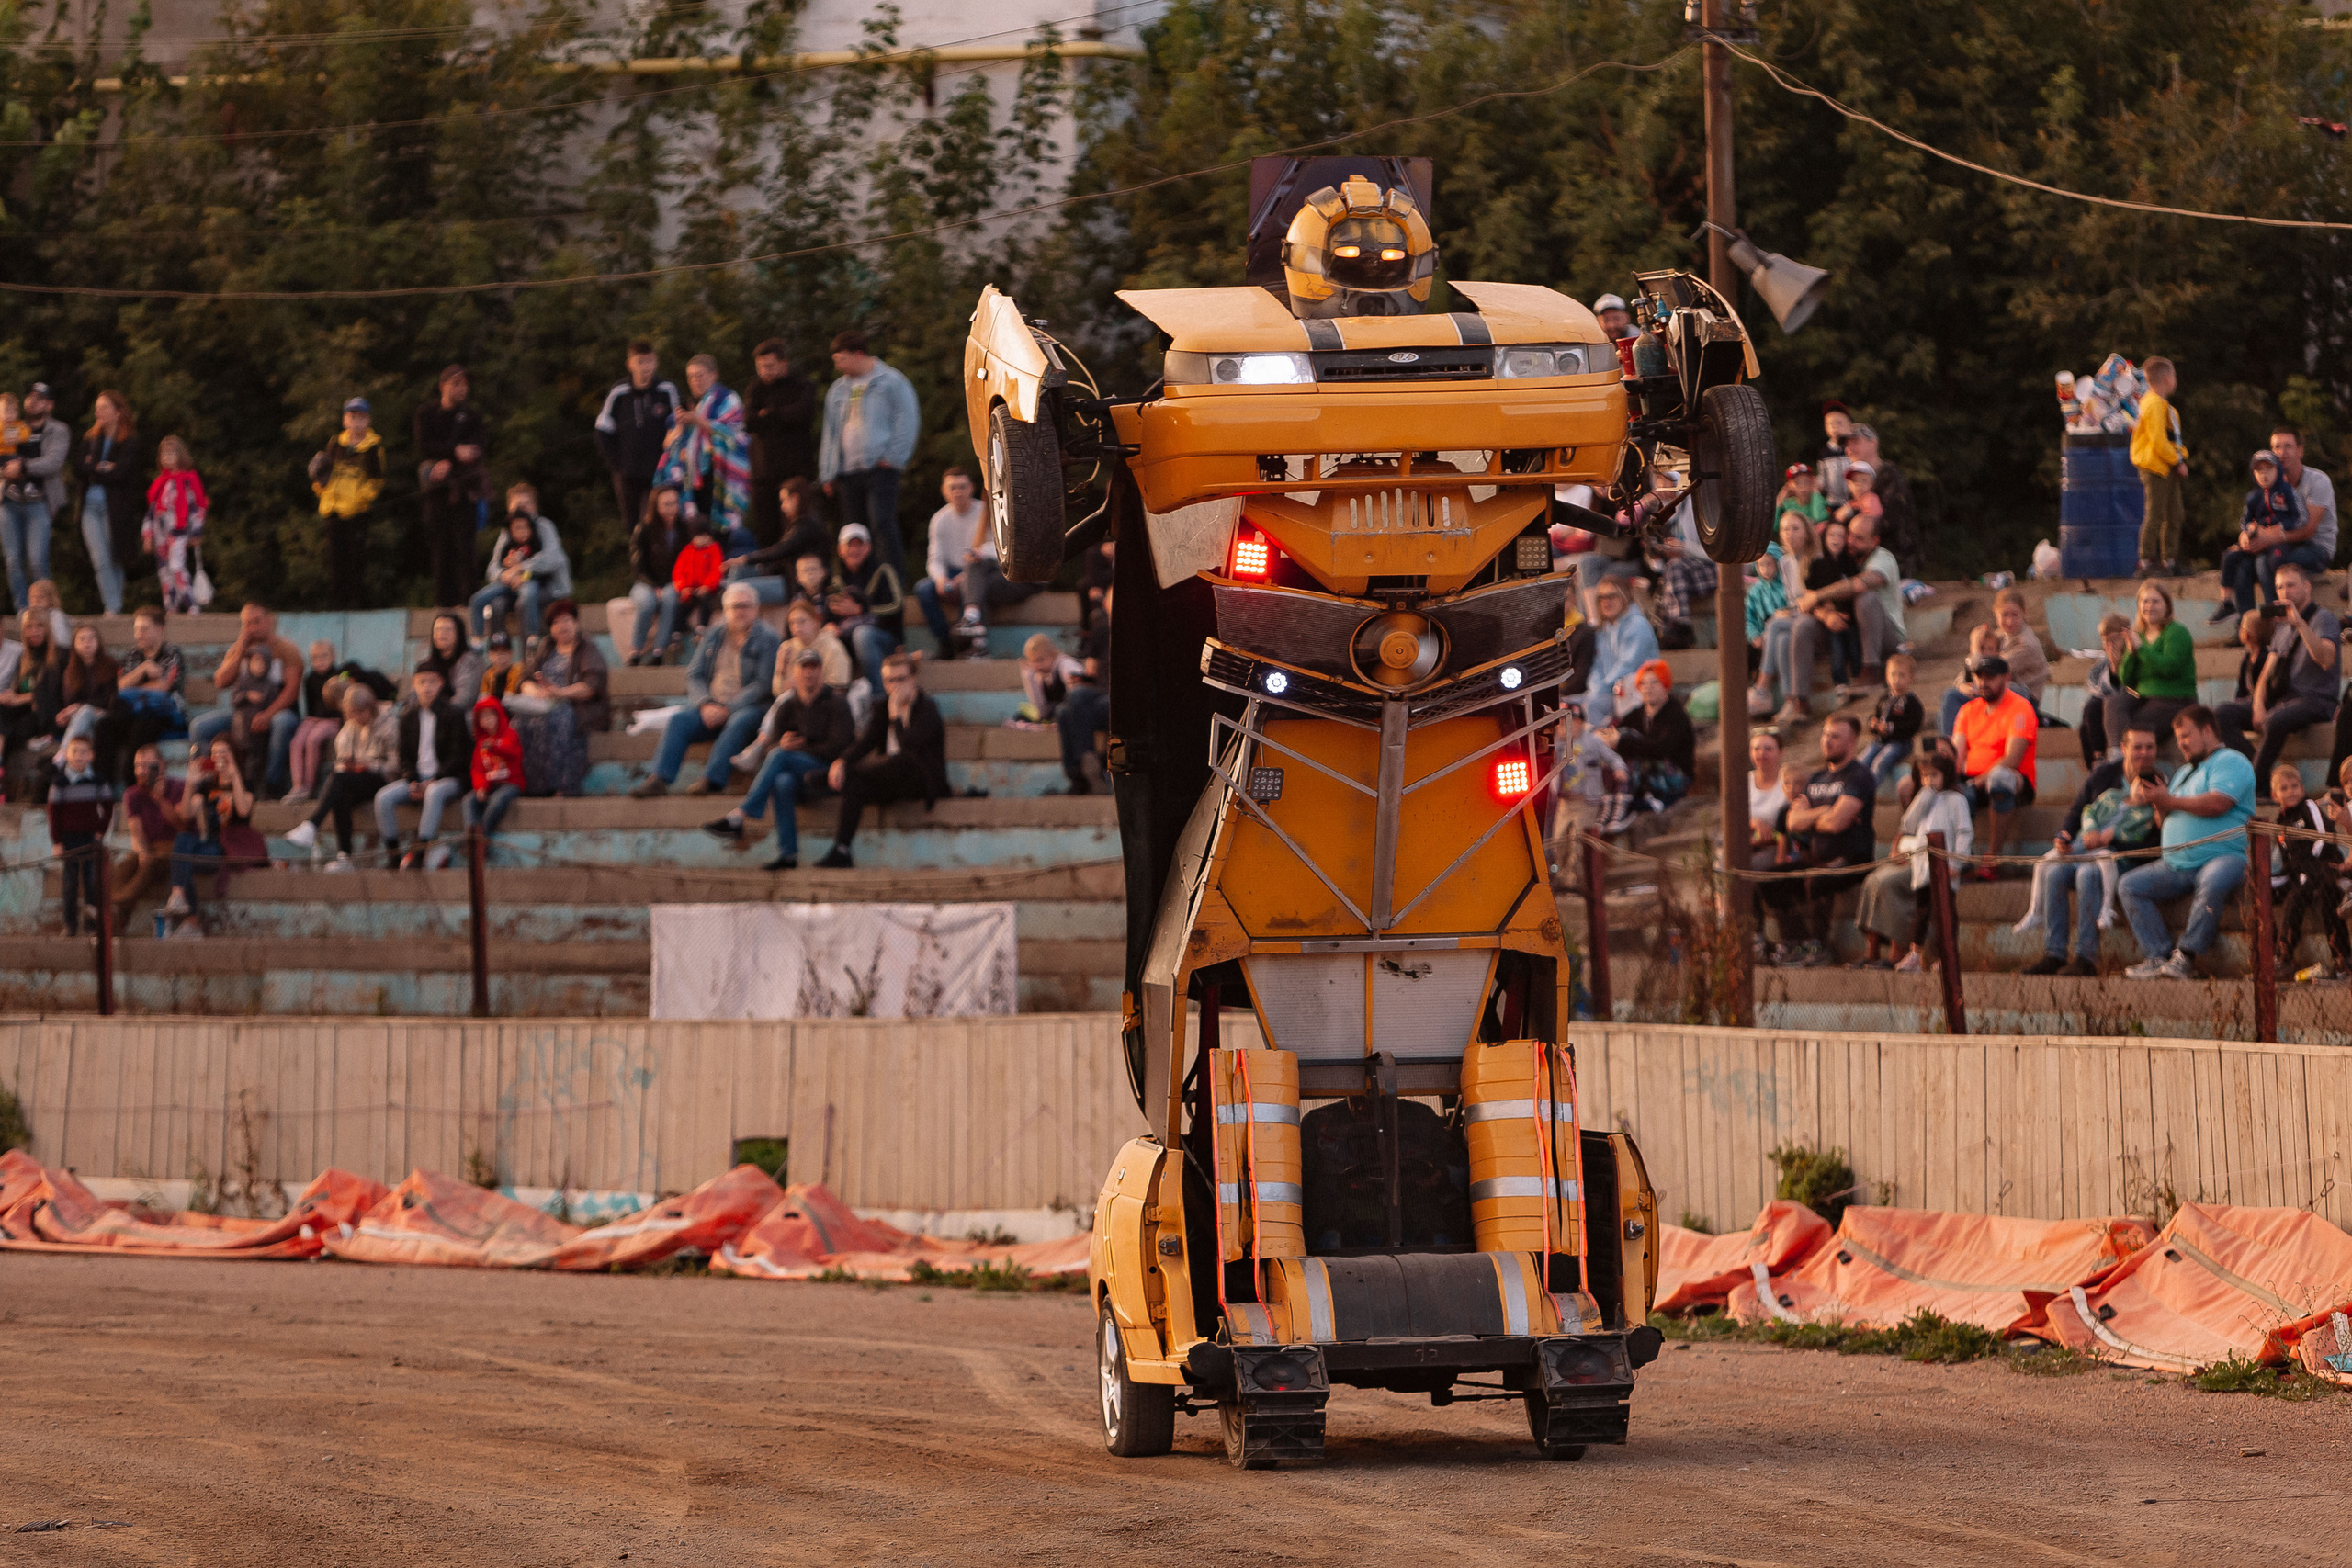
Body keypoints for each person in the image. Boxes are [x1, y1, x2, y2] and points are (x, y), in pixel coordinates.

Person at [2118, 706, 2256, 979]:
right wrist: (2158, 803)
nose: (2181, 743)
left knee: (2213, 881)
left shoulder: (2231, 761)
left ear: (2207, 731)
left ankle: (2186, 956)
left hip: (2223, 857)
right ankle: (2158, 955)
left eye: (2186, 736)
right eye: (2179, 738)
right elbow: (2163, 821)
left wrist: (2169, 800)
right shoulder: (2182, 773)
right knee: (2129, 885)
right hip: (2176, 864)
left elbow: (2219, 802)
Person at [2019, 725, 2163, 976]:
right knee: (2054, 873)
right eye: (2137, 747)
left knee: (2088, 874)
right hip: (2087, 848)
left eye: (2150, 747)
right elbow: (2078, 810)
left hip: (2124, 857)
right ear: (2124, 749)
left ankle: (2086, 957)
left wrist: (2115, 840)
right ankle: (2054, 953)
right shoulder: (2105, 776)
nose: (2144, 753)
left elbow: (2155, 838)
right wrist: (2063, 834)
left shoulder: (2158, 781)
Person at [704, 648, 857, 870]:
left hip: (828, 774)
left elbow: (840, 747)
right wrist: (781, 745)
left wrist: (795, 750)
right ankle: (788, 854)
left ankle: (740, 815)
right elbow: (770, 749)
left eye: (814, 667)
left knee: (781, 756)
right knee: (781, 781)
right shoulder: (787, 706)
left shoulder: (837, 702)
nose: (809, 673)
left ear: (822, 672)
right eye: (804, 667)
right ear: (794, 673)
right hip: (797, 776)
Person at [629, 581, 779, 799]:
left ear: (756, 609)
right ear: (726, 610)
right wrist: (705, 703)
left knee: (740, 721)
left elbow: (764, 684)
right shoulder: (715, 633)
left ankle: (711, 780)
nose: (740, 611)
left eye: (746, 606)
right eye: (734, 607)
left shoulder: (768, 638)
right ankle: (658, 779)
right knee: (679, 721)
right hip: (711, 705)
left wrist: (727, 708)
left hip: (749, 707)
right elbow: (694, 673)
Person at [1756, 714, 1878, 967]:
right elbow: (1792, 822)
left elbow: (1836, 824)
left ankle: (1819, 945)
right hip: (1816, 855)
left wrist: (1814, 818)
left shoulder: (1859, 776)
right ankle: (1797, 941)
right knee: (1771, 879)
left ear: (1851, 741)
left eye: (1835, 736)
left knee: (1818, 880)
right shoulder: (1817, 778)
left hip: (1851, 857)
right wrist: (1824, 812)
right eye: (1825, 735)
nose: (1827, 741)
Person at [2213, 561, 2339, 797]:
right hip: (2282, 698)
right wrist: (2258, 702)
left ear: (2306, 587)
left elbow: (2326, 659)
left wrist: (2300, 624)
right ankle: (2260, 775)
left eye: (2290, 585)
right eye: (2280, 587)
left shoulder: (2324, 618)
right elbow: (2268, 668)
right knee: (2221, 714)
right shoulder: (2281, 625)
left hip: (2315, 699)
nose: (2285, 592)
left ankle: (2255, 787)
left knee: (2275, 720)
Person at [813, 649, 946, 868]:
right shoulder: (882, 707)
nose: (894, 686)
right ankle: (842, 850)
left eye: (900, 679)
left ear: (913, 678)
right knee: (855, 784)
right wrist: (842, 761)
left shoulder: (926, 708)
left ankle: (836, 777)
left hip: (921, 780)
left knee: (900, 760)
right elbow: (867, 742)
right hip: (890, 778)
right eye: (888, 681)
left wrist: (896, 717)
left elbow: (908, 747)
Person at [1781, 512, 1907, 722]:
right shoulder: (1836, 559)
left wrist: (1818, 597)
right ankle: (1800, 702)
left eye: (1859, 538)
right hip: (1845, 629)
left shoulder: (1882, 558)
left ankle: (1871, 670)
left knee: (1864, 597)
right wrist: (1825, 614)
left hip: (1884, 636)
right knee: (1803, 625)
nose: (1850, 541)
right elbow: (1809, 600)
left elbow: (1858, 584)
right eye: (1850, 535)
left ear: (1874, 541)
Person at [1852, 748, 1970, 972]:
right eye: (1925, 775)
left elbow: (1964, 832)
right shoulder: (1923, 799)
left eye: (1934, 775)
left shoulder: (1956, 800)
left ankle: (1946, 956)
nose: (1929, 780)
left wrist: (1956, 864)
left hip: (1945, 867)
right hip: (1922, 868)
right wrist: (1923, 798)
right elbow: (1908, 825)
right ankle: (1915, 954)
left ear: (1945, 774)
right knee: (1922, 912)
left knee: (1944, 913)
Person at [820, 330, 921, 579]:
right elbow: (830, 431)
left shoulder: (891, 381)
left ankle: (892, 583)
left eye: (842, 359)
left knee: (882, 525)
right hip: (847, 471)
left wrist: (894, 457)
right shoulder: (838, 390)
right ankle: (860, 588)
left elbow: (907, 420)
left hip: (880, 466)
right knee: (854, 532)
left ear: (859, 354)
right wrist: (828, 471)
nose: (838, 365)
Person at [283, 683, 398, 871]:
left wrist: (367, 766)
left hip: (383, 777)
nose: (356, 719)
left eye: (360, 713)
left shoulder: (389, 724)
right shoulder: (352, 724)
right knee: (340, 791)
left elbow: (395, 765)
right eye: (352, 714)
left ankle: (312, 825)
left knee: (339, 781)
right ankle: (344, 855)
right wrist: (348, 764)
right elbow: (341, 758)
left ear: (370, 708)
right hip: (356, 779)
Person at [192, 604, 302, 797]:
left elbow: (292, 691)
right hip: (244, 716)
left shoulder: (286, 650)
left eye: (256, 621)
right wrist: (241, 648)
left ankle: (271, 784)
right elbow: (220, 681)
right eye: (247, 623)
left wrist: (268, 715)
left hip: (277, 712)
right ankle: (210, 781)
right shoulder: (239, 650)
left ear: (269, 621)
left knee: (281, 723)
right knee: (200, 727)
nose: (252, 627)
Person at [1950, 653, 2038, 874]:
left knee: (2000, 777)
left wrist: (1976, 783)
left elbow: (2012, 759)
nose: (1983, 682)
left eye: (1990, 677)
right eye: (1979, 677)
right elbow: (1956, 754)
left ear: (2005, 678)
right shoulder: (1967, 710)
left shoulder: (2020, 707)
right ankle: (1955, 860)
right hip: (1972, 779)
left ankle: (1993, 857)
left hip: (2014, 780)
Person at [376, 665, 469, 870]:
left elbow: (459, 755)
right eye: (422, 682)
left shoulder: (453, 714)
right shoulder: (408, 716)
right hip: (418, 779)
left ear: (441, 684)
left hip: (448, 779)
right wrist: (412, 780)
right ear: (414, 685)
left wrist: (434, 779)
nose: (427, 687)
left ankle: (419, 853)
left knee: (434, 792)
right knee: (383, 798)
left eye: (432, 682)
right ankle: (393, 855)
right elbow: (404, 756)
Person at [655, 354, 752, 552]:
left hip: (719, 476)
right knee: (697, 528)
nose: (695, 381)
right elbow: (668, 443)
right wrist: (679, 428)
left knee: (719, 530)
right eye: (690, 377)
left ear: (713, 375)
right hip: (693, 477)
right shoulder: (690, 405)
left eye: (700, 375)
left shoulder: (727, 399)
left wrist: (697, 421)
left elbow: (736, 437)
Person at [514, 598, 608, 795]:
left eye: (566, 620)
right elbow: (525, 679)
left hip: (576, 707)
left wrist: (561, 693)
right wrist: (536, 692)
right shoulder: (546, 647)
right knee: (519, 723)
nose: (561, 626)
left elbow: (592, 686)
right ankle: (531, 786)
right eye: (555, 623)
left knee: (561, 719)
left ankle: (562, 786)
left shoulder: (587, 648)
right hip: (543, 703)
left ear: (576, 622)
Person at [416, 365, 490, 609]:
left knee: (465, 547)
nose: (461, 388)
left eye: (465, 384)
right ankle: (443, 604)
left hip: (464, 490)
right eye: (455, 383)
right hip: (436, 491)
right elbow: (423, 445)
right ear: (443, 386)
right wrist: (453, 452)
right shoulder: (426, 414)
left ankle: (468, 601)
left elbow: (475, 450)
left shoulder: (472, 417)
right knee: (441, 548)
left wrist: (449, 459)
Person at [163, 737, 256, 926]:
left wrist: (235, 776)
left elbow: (244, 810)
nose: (220, 757)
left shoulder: (246, 784)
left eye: (224, 752)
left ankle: (191, 921)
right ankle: (178, 895)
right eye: (215, 753)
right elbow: (186, 814)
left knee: (182, 860)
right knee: (183, 843)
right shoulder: (206, 786)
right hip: (209, 843)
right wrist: (190, 783)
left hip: (228, 847)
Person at [2267, 763, 2348, 979]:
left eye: (2295, 786)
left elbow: (2324, 837)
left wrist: (2309, 864)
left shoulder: (2309, 806)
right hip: (2301, 875)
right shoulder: (2280, 823)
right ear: (2274, 796)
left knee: (2320, 895)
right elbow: (2288, 861)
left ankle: (2343, 961)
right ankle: (2277, 958)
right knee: (2271, 893)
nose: (2291, 791)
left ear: (2303, 789)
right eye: (2284, 788)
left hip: (2324, 866)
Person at [594, 339, 680, 536]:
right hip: (627, 473)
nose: (645, 367)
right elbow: (601, 430)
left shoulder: (667, 389)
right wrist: (617, 464)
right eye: (640, 362)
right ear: (630, 364)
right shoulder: (619, 392)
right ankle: (638, 565)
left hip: (659, 472)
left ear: (656, 362)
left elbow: (678, 427)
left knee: (657, 522)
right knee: (633, 527)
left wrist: (670, 459)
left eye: (649, 361)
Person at [1939, 587, 2050, 736]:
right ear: (1995, 613)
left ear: (2024, 612)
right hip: (1996, 689)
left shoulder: (2027, 644)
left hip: (2023, 698)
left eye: (2015, 615)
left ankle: (1952, 752)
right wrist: (1961, 685)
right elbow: (1973, 670)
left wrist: (1976, 649)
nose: (2009, 621)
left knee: (1953, 697)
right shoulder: (1998, 636)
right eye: (2004, 615)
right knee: (1949, 701)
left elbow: (1991, 670)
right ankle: (1950, 747)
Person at [307, 397, 385, 609]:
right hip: (332, 510)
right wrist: (321, 491)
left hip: (356, 512)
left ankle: (355, 604)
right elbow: (322, 473)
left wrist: (361, 499)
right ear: (345, 420)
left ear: (368, 420)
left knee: (355, 560)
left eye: (361, 417)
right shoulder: (335, 444)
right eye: (352, 417)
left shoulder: (373, 447)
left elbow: (377, 481)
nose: (356, 422)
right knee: (335, 561)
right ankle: (337, 605)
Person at [2215, 448, 2311, 620]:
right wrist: (2247, 533)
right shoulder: (2253, 496)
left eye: (2269, 469)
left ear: (2278, 471)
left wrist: (2278, 529)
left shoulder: (2287, 491)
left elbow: (2300, 518)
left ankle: (2275, 611)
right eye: (2259, 470)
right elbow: (2244, 521)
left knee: (2267, 563)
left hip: (2280, 543)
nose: (2264, 475)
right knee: (2231, 557)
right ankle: (2229, 607)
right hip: (2256, 542)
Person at [468, 486, 571, 641]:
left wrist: (519, 569)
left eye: (526, 504)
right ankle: (498, 653)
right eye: (517, 506)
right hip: (513, 586)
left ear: (535, 506)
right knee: (496, 605)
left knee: (524, 603)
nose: (522, 509)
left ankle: (529, 653)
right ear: (509, 508)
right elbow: (493, 566)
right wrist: (505, 575)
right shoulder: (507, 532)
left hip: (548, 588)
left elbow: (552, 559)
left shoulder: (544, 526)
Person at [2103, 580, 2196, 754]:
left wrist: (2142, 650)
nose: (2149, 606)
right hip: (2144, 697)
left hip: (2174, 700)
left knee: (2135, 726)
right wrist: (2131, 654)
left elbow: (2169, 668)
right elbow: (2126, 679)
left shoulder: (2176, 632)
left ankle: (2127, 761)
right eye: (2145, 601)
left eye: (2155, 601)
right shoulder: (2139, 635)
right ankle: (2116, 756)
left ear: (2167, 605)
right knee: (2112, 703)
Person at [74, 390, 142, 616]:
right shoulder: (89, 439)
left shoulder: (129, 442)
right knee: (99, 558)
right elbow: (78, 469)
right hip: (89, 508)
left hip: (115, 508)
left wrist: (93, 469)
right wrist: (103, 468)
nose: (98, 412)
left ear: (118, 412)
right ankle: (112, 606)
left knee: (116, 556)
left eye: (104, 407)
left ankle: (116, 605)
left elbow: (122, 473)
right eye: (97, 407)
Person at [1, 383, 68, 612]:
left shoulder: (57, 430)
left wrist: (23, 467)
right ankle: (22, 609)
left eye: (40, 399)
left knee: (37, 560)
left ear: (49, 405)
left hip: (39, 502)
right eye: (30, 397)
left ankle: (45, 610)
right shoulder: (13, 427)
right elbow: (3, 454)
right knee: (12, 560)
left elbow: (53, 462)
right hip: (9, 501)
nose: (33, 402)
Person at [743, 339, 817, 545]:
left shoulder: (802, 384)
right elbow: (749, 421)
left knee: (795, 528)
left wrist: (769, 414)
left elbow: (801, 414)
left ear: (784, 363)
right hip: (763, 473)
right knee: (766, 529)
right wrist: (777, 415)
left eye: (769, 366)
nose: (764, 372)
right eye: (760, 367)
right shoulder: (756, 388)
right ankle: (770, 572)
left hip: (794, 471)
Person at [1750, 512, 1823, 718]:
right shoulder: (1785, 562)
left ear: (1807, 533)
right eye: (1785, 529)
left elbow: (1813, 597)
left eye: (1795, 529)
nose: (1789, 534)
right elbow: (1794, 600)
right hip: (1799, 615)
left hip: (1818, 617)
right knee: (1782, 639)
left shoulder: (1816, 558)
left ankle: (1762, 687)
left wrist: (1791, 611)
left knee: (1774, 625)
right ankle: (1792, 701)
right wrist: (1789, 611)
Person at [1599, 660, 1692, 815]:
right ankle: (1614, 798)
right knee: (1613, 740)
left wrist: (1622, 741)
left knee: (1627, 738)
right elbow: (1617, 730)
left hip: (1674, 775)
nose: (1648, 688)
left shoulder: (1676, 715)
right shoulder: (1638, 713)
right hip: (1646, 775)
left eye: (1654, 683)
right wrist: (1605, 736)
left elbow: (1660, 749)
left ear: (1665, 685)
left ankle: (1626, 799)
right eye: (1643, 684)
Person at [44, 730, 114, 935]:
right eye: (75, 752)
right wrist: (57, 841)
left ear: (91, 755)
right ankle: (70, 924)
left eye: (84, 752)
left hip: (91, 837)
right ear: (67, 754)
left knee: (92, 881)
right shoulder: (60, 782)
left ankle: (92, 925)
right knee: (70, 884)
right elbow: (53, 814)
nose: (79, 756)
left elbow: (108, 806)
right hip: (69, 838)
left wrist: (101, 830)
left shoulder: (98, 779)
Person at [1548, 699, 1632, 863]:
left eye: (1568, 724)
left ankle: (1575, 879)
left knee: (1579, 841)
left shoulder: (1592, 742)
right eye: (1560, 725)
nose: (1563, 729)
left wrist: (1620, 769)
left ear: (1580, 723)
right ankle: (1561, 875)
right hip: (1565, 802)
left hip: (1586, 801)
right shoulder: (1556, 745)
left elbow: (1613, 758)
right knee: (1558, 841)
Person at [111, 743, 182, 933]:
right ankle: (117, 916)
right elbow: (136, 831)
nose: (142, 771)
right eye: (138, 766)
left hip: (174, 846)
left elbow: (181, 826)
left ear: (162, 766)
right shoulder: (132, 794)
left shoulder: (177, 787)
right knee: (122, 868)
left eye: (148, 766)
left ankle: (116, 907)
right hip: (149, 846)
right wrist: (142, 851)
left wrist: (159, 799)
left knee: (151, 862)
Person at [914, 468, 988, 648]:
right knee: (923, 589)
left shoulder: (985, 512)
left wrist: (963, 578)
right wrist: (940, 580)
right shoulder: (940, 519)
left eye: (962, 486)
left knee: (970, 589)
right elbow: (935, 558)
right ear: (944, 491)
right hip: (950, 572)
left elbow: (992, 551)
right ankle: (946, 642)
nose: (958, 492)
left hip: (980, 570)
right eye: (953, 487)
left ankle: (967, 644)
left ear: (971, 488)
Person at [2132, 356, 2188, 577]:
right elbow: (2158, 441)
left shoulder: (2164, 406)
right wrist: (2177, 461)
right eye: (2173, 375)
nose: (2175, 380)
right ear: (2166, 378)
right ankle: (2145, 562)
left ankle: (2169, 561)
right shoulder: (2153, 404)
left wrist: (2179, 456)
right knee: (2155, 514)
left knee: (2175, 513)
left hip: (2166, 466)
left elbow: (2173, 438)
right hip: (2155, 467)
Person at [142, 435, 209, 614]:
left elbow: (197, 507)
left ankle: (190, 604)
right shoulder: (160, 483)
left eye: (171, 453)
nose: (167, 457)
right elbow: (152, 511)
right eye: (164, 454)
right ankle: (171, 606)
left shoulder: (188, 480)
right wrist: (147, 535)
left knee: (176, 566)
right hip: (160, 531)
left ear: (181, 455)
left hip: (179, 530)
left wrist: (196, 531)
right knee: (164, 570)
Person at [625, 484, 690, 665]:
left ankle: (658, 651)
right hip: (645, 582)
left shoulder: (684, 529)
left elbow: (687, 562)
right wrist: (654, 586)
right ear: (656, 506)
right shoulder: (644, 529)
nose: (672, 508)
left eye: (675, 503)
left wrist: (672, 584)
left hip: (673, 581)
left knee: (670, 597)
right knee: (646, 603)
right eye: (667, 504)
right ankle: (636, 651)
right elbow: (638, 566)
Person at [830, 522, 903, 679]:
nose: (855, 550)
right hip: (847, 640)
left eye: (859, 545)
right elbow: (829, 611)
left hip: (884, 638)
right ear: (840, 549)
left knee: (862, 634)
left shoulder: (883, 571)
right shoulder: (835, 579)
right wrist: (829, 625)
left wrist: (861, 611)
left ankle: (878, 696)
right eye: (850, 545)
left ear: (868, 547)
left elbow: (897, 607)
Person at [1057, 585, 1112, 796]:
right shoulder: (1101, 628)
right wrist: (1080, 679)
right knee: (1074, 697)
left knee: (1066, 712)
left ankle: (1080, 774)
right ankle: (1086, 765)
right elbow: (1091, 671)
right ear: (1105, 603)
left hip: (1119, 698)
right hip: (1100, 691)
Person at [1839, 423, 1917, 572]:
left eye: (1855, 442)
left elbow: (1891, 521)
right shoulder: (1855, 479)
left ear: (1873, 443)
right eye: (1847, 445)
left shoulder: (1891, 476)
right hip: (1862, 557)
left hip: (1895, 560)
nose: (1849, 450)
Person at [1580, 577, 1659, 720]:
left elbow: (1627, 667)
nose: (1606, 601)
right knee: (1566, 705)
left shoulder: (1637, 625)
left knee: (1592, 705)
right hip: (1606, 692)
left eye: (1612, 596)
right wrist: (1595, 688)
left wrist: (1600, 690)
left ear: (1624, 597)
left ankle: (1601, 742)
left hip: (1634, 694)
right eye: (1601, 597)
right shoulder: (1603, 629)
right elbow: (1596, 667)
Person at [0, 608, 60, 784]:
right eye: (29, 627)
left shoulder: (58, 655)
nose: (34, 631)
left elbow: (51, 694)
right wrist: (11, 695)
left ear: (47, 628)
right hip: (19, 711)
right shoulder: (24, 656)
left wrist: (19, 699)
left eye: (39, 626)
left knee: (6, 730)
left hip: (42, 715)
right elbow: (18, 688)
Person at [463, 694, 526, 843]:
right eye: (483, 717)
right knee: (469, 800)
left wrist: (495, 746)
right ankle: (471, 837)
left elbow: (514, 752)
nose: (487, 720)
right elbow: (477, 769)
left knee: (497, 800)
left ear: (499, 715)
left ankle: (481, 839)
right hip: (490, 784)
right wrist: (481, 787)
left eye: (491, 715)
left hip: (511, 784)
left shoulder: (510, 734)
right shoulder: (480, 743)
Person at [2075, 614, 2136, 766]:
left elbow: (2129, 685)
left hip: (2129, 705)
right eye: (2105, 641)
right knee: (2085, 725)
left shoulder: (2133, 655)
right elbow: (2095, 685)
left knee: (2094, 707)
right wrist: (2112, 667)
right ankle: (2097, 763)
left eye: (2114, 639)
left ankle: (2101, 758)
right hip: (2106, 709)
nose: (2110, 644)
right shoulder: (2103, 662)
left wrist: (2116, 669)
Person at [1860, 652, 1924, 788]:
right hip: (1880, 741)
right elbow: (1876, 714)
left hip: (1900, 743)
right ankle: (1854, 787)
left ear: (1911, 678)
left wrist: (1891, 728)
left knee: (1881, 761)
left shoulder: (1912, 702)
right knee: (1862, 760)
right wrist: (1873, 723)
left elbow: (1913, 725)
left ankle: (1869, 789)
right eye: (1893, 675)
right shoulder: (1884, 698)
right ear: (1887, 676)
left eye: (1902, 675)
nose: (1896, 680)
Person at [52, 623, 118, 753]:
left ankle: (62, 755)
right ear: (74, 644)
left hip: (104, 714)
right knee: (86, 726)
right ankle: (82, 770)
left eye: (92, 638)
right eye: (82, 639)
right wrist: (66, 714)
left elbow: (109, 698)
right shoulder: (70, 671)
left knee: (86, 711)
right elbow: (70, 702)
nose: (87, 643)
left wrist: (79, 707)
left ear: (98, 642)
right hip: (81, 718)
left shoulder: (110, 664)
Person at [223, 640, 283, 783]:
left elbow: (274, 706)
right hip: (241, 730)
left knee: (255, 762)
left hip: (258, 733)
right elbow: (234, 700)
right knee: (239, 759)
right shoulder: (242, 681)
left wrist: (265, 716)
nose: (259, 666)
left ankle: (255, 785)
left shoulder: (271, 686)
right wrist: (246, 695)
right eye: (255, 662)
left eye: (262, 662)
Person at [776, 596, 852, 691]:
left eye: (802, 621)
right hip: (794, 703)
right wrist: (782, 670)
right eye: (792, 623)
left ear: (815, 621)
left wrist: (803, 688)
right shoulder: (787, 647)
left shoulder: (833, 647)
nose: (796, 627)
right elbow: (777, 691)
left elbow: (840, 686)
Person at [670, 515, 727, 641]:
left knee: (705, 603)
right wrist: (683, 587)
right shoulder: (687, 551)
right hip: (690, 589)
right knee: (681, 606)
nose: (704, 539)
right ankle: (676, 633)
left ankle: (701, 628)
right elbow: (678, 571)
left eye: (706, 536)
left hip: (707, 590)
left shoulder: (714, 549)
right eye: (700, 536)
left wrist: (708, 586)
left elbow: (716, 570)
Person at [1744, 728, 1789, 875]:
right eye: (1756, 749)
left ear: (1781, 752)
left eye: (1768, 749)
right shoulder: (1744, 782)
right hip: (1747, 843)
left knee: (1751, 868)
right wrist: (1754, 823)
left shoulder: (1787, 783)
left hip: (1777, 846)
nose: (1761, 754)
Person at [1817, 401, 1854, 504]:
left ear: (1849, 424)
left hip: (1855, 501)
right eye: (1829, 423)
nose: (1834, 427)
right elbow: (1822, 478)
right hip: (1833, 502)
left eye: (1839, 423)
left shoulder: (1854, 448)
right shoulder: (1825, 452)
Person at [1775, 462, 1827, 528]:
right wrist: (1779, 499)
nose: (1803, 488)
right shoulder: (1788, 505)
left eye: (1806, 482)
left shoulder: (1820, 501)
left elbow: (1819, 518)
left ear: (1813, 482)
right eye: (1797, 483)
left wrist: (1815, 491)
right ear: (1789, 486)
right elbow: (1774, 526)